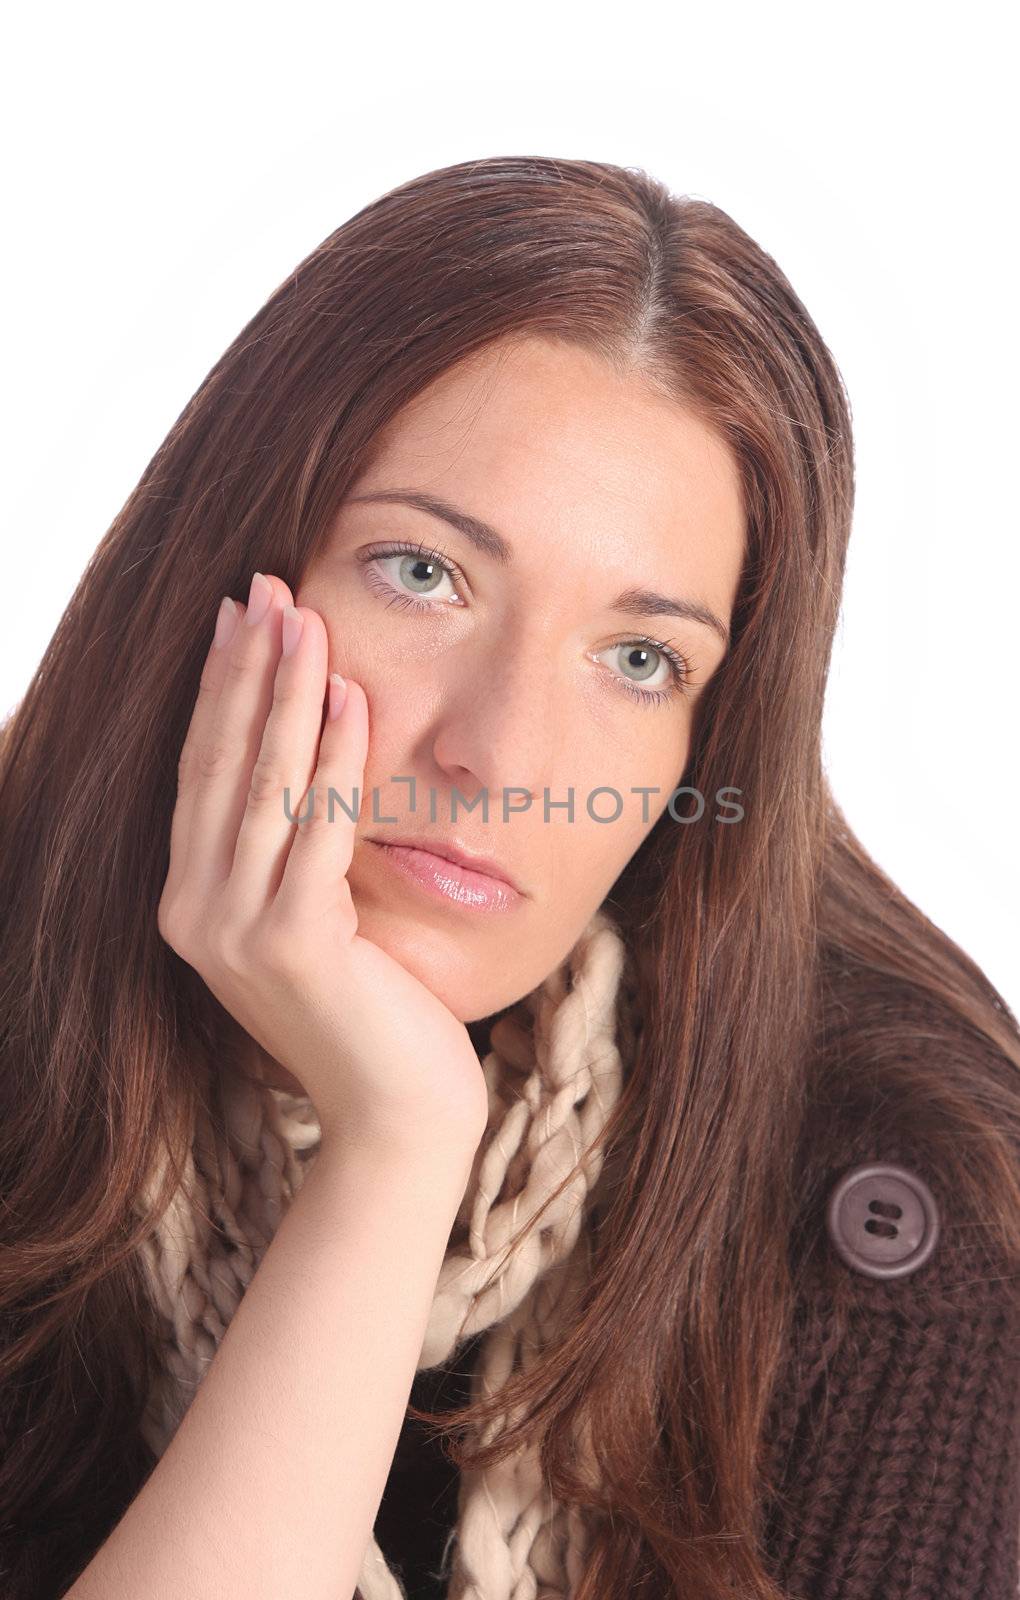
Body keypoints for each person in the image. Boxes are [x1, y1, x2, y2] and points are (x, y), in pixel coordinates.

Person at [0, 154, 1017, 1600]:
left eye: (639, 658)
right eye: (425, 575)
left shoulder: (883, 1211)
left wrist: (390, 1141)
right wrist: (395, 1154)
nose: (507, 758)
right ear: (221, 575)